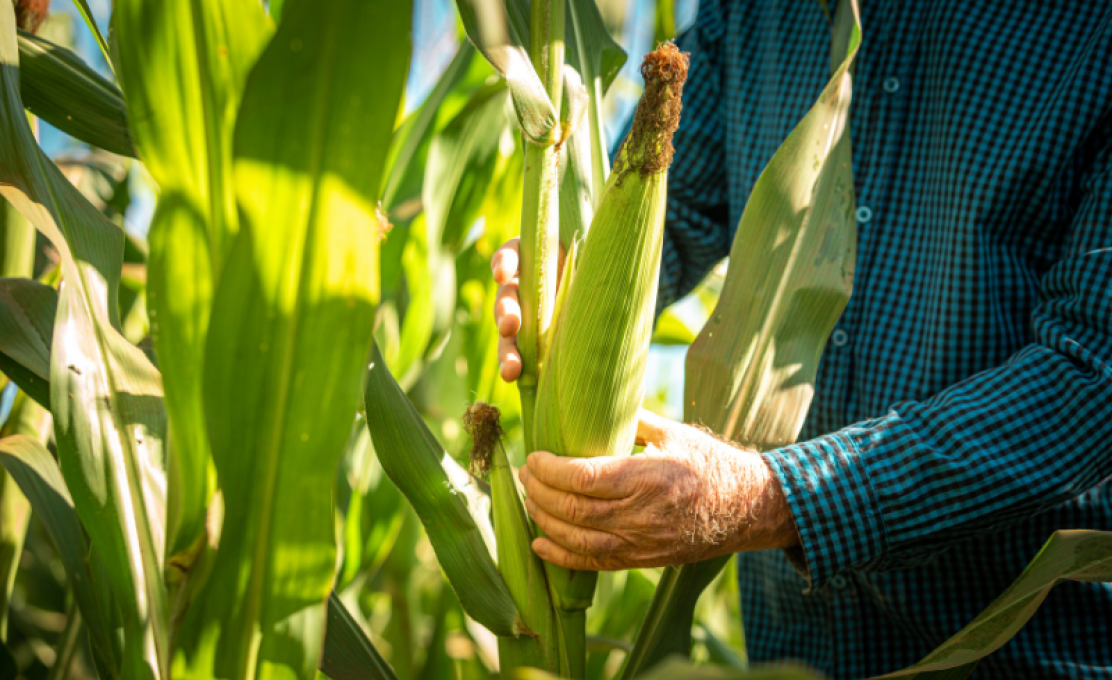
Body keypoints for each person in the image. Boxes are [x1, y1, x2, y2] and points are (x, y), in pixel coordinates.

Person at [490, 1, 1112, 678]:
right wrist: (569, 283)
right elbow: (679, 211)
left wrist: (767, 497)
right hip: (789, 652)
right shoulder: (754, 10)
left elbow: (1092, 378)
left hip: (1020, 652)